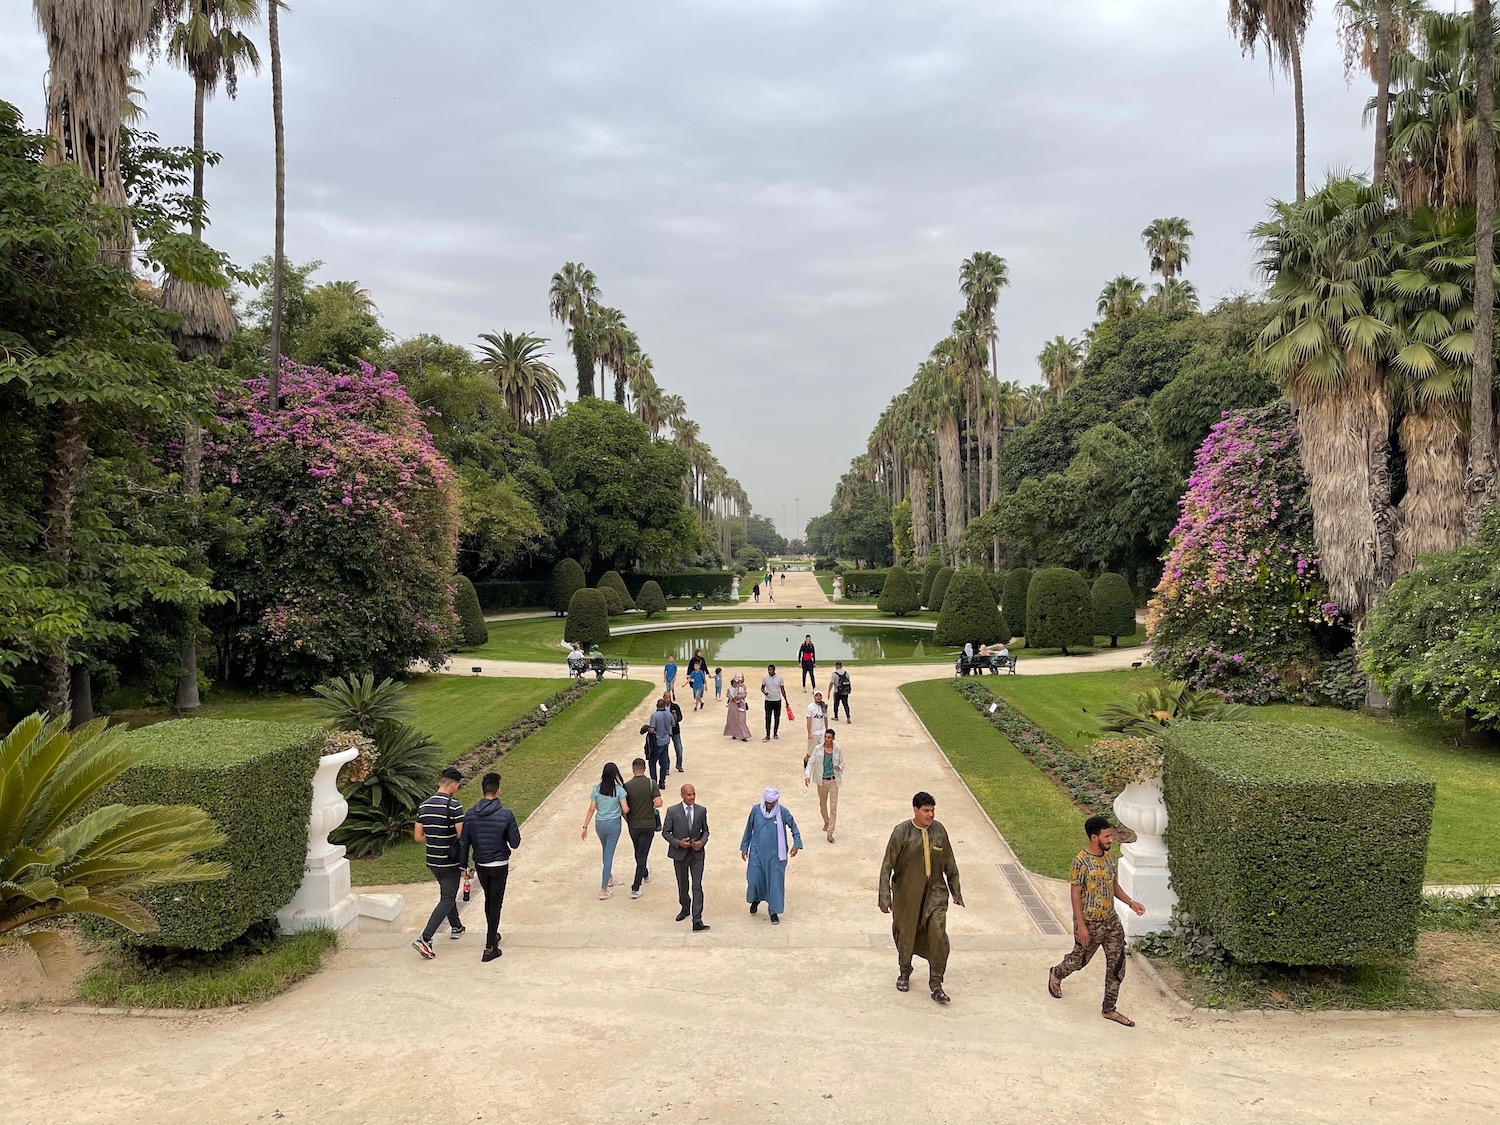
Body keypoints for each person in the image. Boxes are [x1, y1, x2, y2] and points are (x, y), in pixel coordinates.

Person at [1048, 815, 1146, 1026]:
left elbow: (1113, 885)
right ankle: (1056, 973)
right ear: (1094, 837)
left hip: (1111, 923)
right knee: (1079, 961)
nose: (1111, 839)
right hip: (1089, 924)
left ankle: (1109, 1009)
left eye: (1111, 835)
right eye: (1107, 836)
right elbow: (1075, 895)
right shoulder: (1081, 862)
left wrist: (1131, 902)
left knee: (1117, 965)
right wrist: (1081, 926)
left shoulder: (1108, 859)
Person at [879, 791, 964, 1003]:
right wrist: (884, 896)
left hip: (935, 894)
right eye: (926, 810)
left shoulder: (939, 831)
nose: (931, 815)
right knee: (906, 934)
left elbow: (949, 861)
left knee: (938, 934)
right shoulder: (902, 832)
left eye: (933, 810)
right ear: (915, 810)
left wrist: (955, 890)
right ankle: (905, 971)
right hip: (907, 895)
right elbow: (887, 865)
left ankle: (936, 984)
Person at [458, 771, 521, 962]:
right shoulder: (506, 814)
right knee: (496, 903)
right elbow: (515, 843)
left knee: (489, 900)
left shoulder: (470, 814)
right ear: (498, 791)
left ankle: (492, 935)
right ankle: (490, 946)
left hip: (482, 864)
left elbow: (464, 843)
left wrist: (464, 868)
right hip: (499, 863)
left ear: (482, 790)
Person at [412, 767, 466, 959]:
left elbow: (418, 837)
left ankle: (456, 927)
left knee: (447, 894)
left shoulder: (423, 806)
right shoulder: (454, 806)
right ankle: (425, 938)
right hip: (449, 861)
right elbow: (462, 836)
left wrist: (434, 836)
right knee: (448, 898)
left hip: (432, 860)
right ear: (453, 785)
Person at [739, 786, 802, 924]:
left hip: (775, 856)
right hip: (757, 853)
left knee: (774, 884)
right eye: (768, 802)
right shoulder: (756, 810)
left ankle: (773, 911)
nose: (770, 805)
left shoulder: (783, 812)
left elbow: (794, 827)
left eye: (773, 802)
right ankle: (755, 899)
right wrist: (744, 847)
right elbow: (749, 829)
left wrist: (797, 843)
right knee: (754, 879)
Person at [661, 782, 710, 930]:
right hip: (680, 854)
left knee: (697, 886)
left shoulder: (701, 811)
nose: (692, 797)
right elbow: (665, 832)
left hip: (696, 855)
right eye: (689, 795)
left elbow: (706, 831)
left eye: (694, 794)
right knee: (683, 885)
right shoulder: (672, 811)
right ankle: (685, 906)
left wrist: (701, 842)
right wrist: (678, 843)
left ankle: (697, 919)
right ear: (682, 795)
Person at [581, 762, 630, 900]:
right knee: (609, 855)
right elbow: (625, 809)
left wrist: (585, 827)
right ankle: (603, 889)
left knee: (605, 850)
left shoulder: (596, 789)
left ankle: (608, 877)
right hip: (614, 825)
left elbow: (591, 809)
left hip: (600, 824)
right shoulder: (619, 790)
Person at [622, 758, 662, 900]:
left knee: (638, 852)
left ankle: (644, 873)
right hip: (648, 824)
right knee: (642, 854)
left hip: (633, 825)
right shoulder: (651, 783)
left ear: (633, 769)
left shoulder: (626, 786)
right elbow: (659, 803)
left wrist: (629, 821)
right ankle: (635, 887)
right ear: (644, 768)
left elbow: (623, 809)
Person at [803, 727, 844, 843]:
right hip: (821, 781)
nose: (826, 739)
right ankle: (826, 820)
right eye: (825, 737)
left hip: (833, 780)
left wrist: (839, 767)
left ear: (833, 738)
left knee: (833, 807)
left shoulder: (838, 749)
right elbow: (810, 763)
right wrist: (807, 776)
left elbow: (842, 763)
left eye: (829, 737)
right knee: (822, 805)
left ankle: (830, 832)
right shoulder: (818, 749)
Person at [641, 697, 673, 789]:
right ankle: (662, 782)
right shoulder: (668, 714)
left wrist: (647, 728)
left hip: (657, 742)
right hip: (666, 741)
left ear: (657, 706)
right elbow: (673, 723)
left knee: (652, 762)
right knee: (663, 763)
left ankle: (654, 782)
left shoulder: (654, 716)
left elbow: (651, 730)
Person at [760, 663, 788, 741]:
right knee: (768, 718)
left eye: (771, 670)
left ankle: (775, 733)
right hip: (768, 700)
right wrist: (764, 692)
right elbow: (762, 688)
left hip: (777, 700)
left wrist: (786, 700)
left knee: (777, 717)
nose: (769, 671)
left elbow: (782, 689)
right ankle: (767, 734)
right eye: (768, 670)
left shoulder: (779, 678)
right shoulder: (765, 678)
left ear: (774, 670)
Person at [723, 672, 752, 741]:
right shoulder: (732, 687)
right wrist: (733, 698)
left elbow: (744, 694)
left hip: (741, 704)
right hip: (733, 705)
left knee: (741, 720)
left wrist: (737, 698)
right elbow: (728, 694)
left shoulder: (743, 686)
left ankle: (743, 735)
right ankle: (734, 733)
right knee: (733, 719)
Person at [665, 690, 686, 772]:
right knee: (665, 751)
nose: (668, 699)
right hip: (665, 731)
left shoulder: (675, 707)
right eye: (666, 697)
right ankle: (666, 767)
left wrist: (676, 718)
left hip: (675, 730)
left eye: (669, 697)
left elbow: (681, 717)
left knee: (679, 749)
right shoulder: (661, 707)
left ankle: (679, 765)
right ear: (664, 698)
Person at [805, 690, 828, 759]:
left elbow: (825, 719)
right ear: (814, 697)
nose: (818, 697)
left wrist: (826, 730)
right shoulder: (810, 707)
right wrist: (809, 733)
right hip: (813, 732)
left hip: (822, 731)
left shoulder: (824, 707)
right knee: (811, 751)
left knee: (822, 750)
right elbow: (809, 720)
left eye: (820, 695)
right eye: (817, 695)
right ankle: (806, 760)